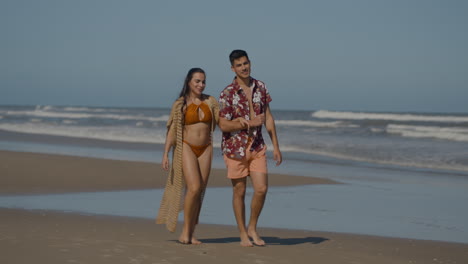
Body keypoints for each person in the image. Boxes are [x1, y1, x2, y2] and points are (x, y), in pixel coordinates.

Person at [218, 50, 282, 247]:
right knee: (240, 192)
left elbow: (268, 118)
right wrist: (248, 123)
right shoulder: (227, 93)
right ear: (232, 68)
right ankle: (242, 233)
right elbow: (223, 125)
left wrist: (276, 146)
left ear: (250, 63)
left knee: (261, 189)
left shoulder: (261, 87)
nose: (244, 67)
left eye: (246, 63)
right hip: (235, 149)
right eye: (239, 65)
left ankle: (252, 227)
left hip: (257, 146)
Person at [156, 68, 219, 245]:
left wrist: (241, 122)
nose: (201, 84)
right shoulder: (180, 104)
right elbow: (172, 130)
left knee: (199, 192)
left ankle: (191, 232)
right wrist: (165, 154)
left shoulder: (211, 101)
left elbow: (221, 121)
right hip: (187, 147)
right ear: (189, 81)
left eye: (203, 81)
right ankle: (185, 232)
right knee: (193, 187)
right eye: (197, 81)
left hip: (206, 148)